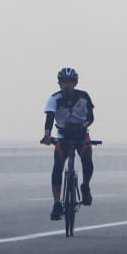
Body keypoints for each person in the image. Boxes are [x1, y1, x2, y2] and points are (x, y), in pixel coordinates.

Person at [40, 67, 96, 221]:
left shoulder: (84, 96)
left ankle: (85, 186)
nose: (67, 85)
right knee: (57, 166)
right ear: (59, 83)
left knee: (87, 161)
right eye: (64, 82)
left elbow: (91, 117)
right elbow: (49, 118)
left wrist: (82, 126)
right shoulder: (54, 99)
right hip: (63, 135)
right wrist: (47, 135)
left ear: (75, 83)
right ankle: (57, 203)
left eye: (70, 82)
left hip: (81, 134)